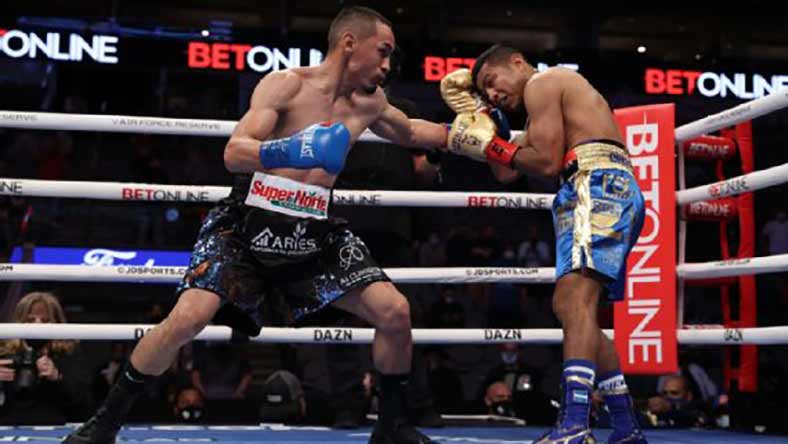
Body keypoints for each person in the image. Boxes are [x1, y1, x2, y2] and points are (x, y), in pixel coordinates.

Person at [64, 6, 447, 444]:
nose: (386, 65)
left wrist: (479, 140)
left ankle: (392, 426)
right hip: (248, 223)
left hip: (313, 231)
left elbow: (414, 132)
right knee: (186, 319)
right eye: (382, 52)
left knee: (394, 311)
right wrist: (290, 151)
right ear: (349, 43)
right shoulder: (287, 84)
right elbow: (235, 152)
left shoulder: (371, 102)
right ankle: (104, 424)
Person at [439, 45, 647, 444]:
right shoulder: (540, 108)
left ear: (516, 62)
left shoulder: (544, 82)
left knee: (574, 303)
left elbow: (547, 162)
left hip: (596, 183)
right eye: (485, 92)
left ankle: (574, 425)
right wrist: (487, 122)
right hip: (590, 187)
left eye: (491, 83)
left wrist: (493, 146)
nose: (493, 93)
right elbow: (506, 174)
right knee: (573, 308)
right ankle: (625, 427)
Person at [0, 292, 91, 425]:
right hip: (7, 426)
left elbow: (85, 403)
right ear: (19, 321)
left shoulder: (68, 352)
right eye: (30, 320)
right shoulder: (5, 351)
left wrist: (58, 378)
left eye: (45, 320)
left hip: (56, 426)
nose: (37, 325)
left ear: (56, 322)